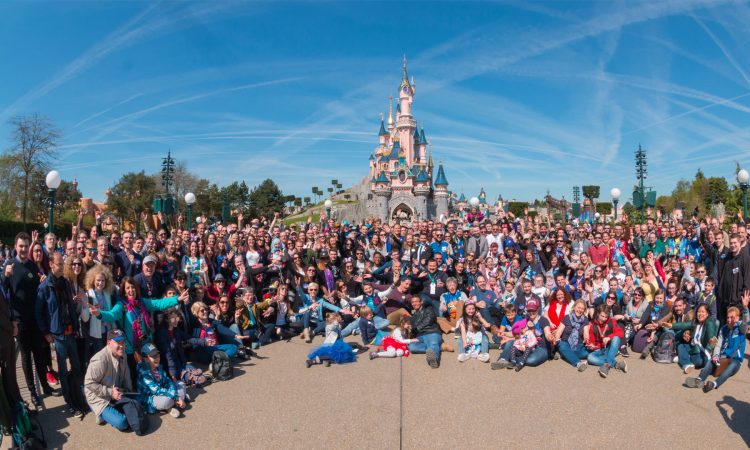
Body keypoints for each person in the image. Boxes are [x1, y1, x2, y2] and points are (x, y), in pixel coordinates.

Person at [5, 232, 59, 407]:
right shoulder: (10, 265)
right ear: (15, 246)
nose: (22, 249)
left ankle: (44, 385)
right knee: (26, 357)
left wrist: (42, 281)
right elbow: (4, 291)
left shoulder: (32, 266)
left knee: (39, 354)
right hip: (19, 321)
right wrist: (5, 276)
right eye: (20, 246)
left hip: (35, 319)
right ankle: (33, 391)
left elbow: (40, 288)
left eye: (25, 246)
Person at [36, 252, 85, 417]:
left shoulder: (65, 282)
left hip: (71, 331)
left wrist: (76, 326)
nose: (62, 267)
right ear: (51, 264)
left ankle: (79, 396)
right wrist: (45, 332)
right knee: (62, 371)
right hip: (58, 335)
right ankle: (69, 401)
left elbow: (70, 306)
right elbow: (39, 313)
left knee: (77, 367)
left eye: (63, 264)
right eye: (59, 264)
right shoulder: (44, 287)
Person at [685, 296, 750, 392]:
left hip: (734, 360)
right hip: (722, 358)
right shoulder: (723, 329)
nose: (729, 320)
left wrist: (745, 308)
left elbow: (745, 321)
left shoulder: (741, 328)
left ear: (737, 318)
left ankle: (714, 384)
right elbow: (718, 344)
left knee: (732, 365)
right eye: (728, 317)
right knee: (711, 361)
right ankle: (699, 380)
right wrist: (715, 355)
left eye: (732, 317)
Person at [84, 330, 139, 433]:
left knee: (138, 405)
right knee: (122, 423)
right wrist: (110, 392)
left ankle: (110, 411)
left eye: (123, 342)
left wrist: (130, 392)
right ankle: (98, 412)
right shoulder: (100, 360)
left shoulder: (123, 353)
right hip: (98, 396)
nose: (122, 345)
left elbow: (126, 375)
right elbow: (89, 383)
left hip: (116, 390)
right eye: (118, 342)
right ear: (108, 343)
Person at [136, 343, 186, 419]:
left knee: (180, 384)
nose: (157, 358)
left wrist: (174, 394)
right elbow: (156, 390)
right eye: (153, 356)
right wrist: (176, 397)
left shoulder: (159, 366)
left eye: (158, 354)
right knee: (167, 401)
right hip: (150, 398)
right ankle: (176, 403)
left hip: (163, 390)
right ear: (146, 358)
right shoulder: (143, 372)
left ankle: (172, 406)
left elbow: (168, 381)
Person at [586, 305, 628, 378]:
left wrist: (609, 337)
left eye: (606, 317)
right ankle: (615, 364)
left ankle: (606, 366)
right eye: (602, 316)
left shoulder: (611, 321)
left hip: (610, 347)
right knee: (590, 357)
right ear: (598, 314)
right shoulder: (593, 325)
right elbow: (592, 342)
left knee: (616, 338)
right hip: (600, 349)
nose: (604, 319)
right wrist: (591, 346)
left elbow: (621, 333)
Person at [675, 303, 716, 374]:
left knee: (698, 361)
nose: (700, 314)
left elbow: (710, 334)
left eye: (703, 312)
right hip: (693, 348)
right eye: (698, 312)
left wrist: (711, 340)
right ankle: (686, 364)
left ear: (707, 314)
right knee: (680, 345)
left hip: (702, 354)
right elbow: (683, 326)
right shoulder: (695, 322)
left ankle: (682, 358)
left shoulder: (709, 323)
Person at [407, 295, 442, 368]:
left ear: (421, 302)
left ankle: (433, 360)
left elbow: (429, 320)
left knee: (432, 343)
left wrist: (416, 328)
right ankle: (438, 347)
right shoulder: (412, 317)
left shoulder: (429, 309)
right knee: (412, 347)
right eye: (412, 302)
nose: (414, 303)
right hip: (420, 336)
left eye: (416, 301)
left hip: (431, 332)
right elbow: (413, 329)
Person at [556, 300, 590, 372]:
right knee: (562, 345)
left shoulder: (585, 320)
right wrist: (557, 337)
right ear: (574, 307)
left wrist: (586, 338)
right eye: (578, 307)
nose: (580, 310)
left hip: (578, 345)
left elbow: (586, 333)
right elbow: (559, 331)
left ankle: (563, 354)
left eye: (582, 308)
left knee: (586, 353)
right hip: (566, 342)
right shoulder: (566, 317)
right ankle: (578, 363)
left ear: (584, 310)